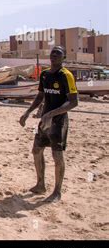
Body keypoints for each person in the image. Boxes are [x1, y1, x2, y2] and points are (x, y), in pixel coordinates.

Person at [19, 46, 78, 202]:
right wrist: (27, 112)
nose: (54, 56)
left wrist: (52, 114)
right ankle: (40, 184)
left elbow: (73, 102)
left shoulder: (66, 76)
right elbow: (40, 97)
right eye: (52, 53)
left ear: (63, 57)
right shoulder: (45, 75)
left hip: (58, 121)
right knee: (36, 150)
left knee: (57, 155)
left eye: (58, 54)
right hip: (44, 121)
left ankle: (57, 191)